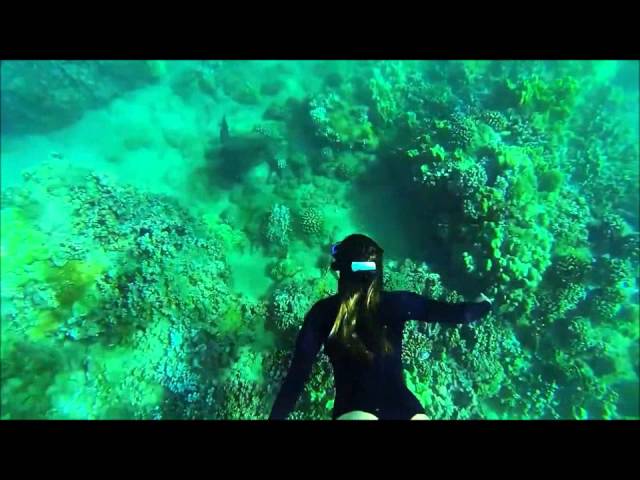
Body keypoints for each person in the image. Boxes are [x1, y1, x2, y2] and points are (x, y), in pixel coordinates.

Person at [269, 233, 493, 420]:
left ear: (341, 271)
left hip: (355, 409)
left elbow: (296, 378)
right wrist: (485, 305)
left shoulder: (323, 312)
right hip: (407, 409)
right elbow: (461, 314)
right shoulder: (401, 302)